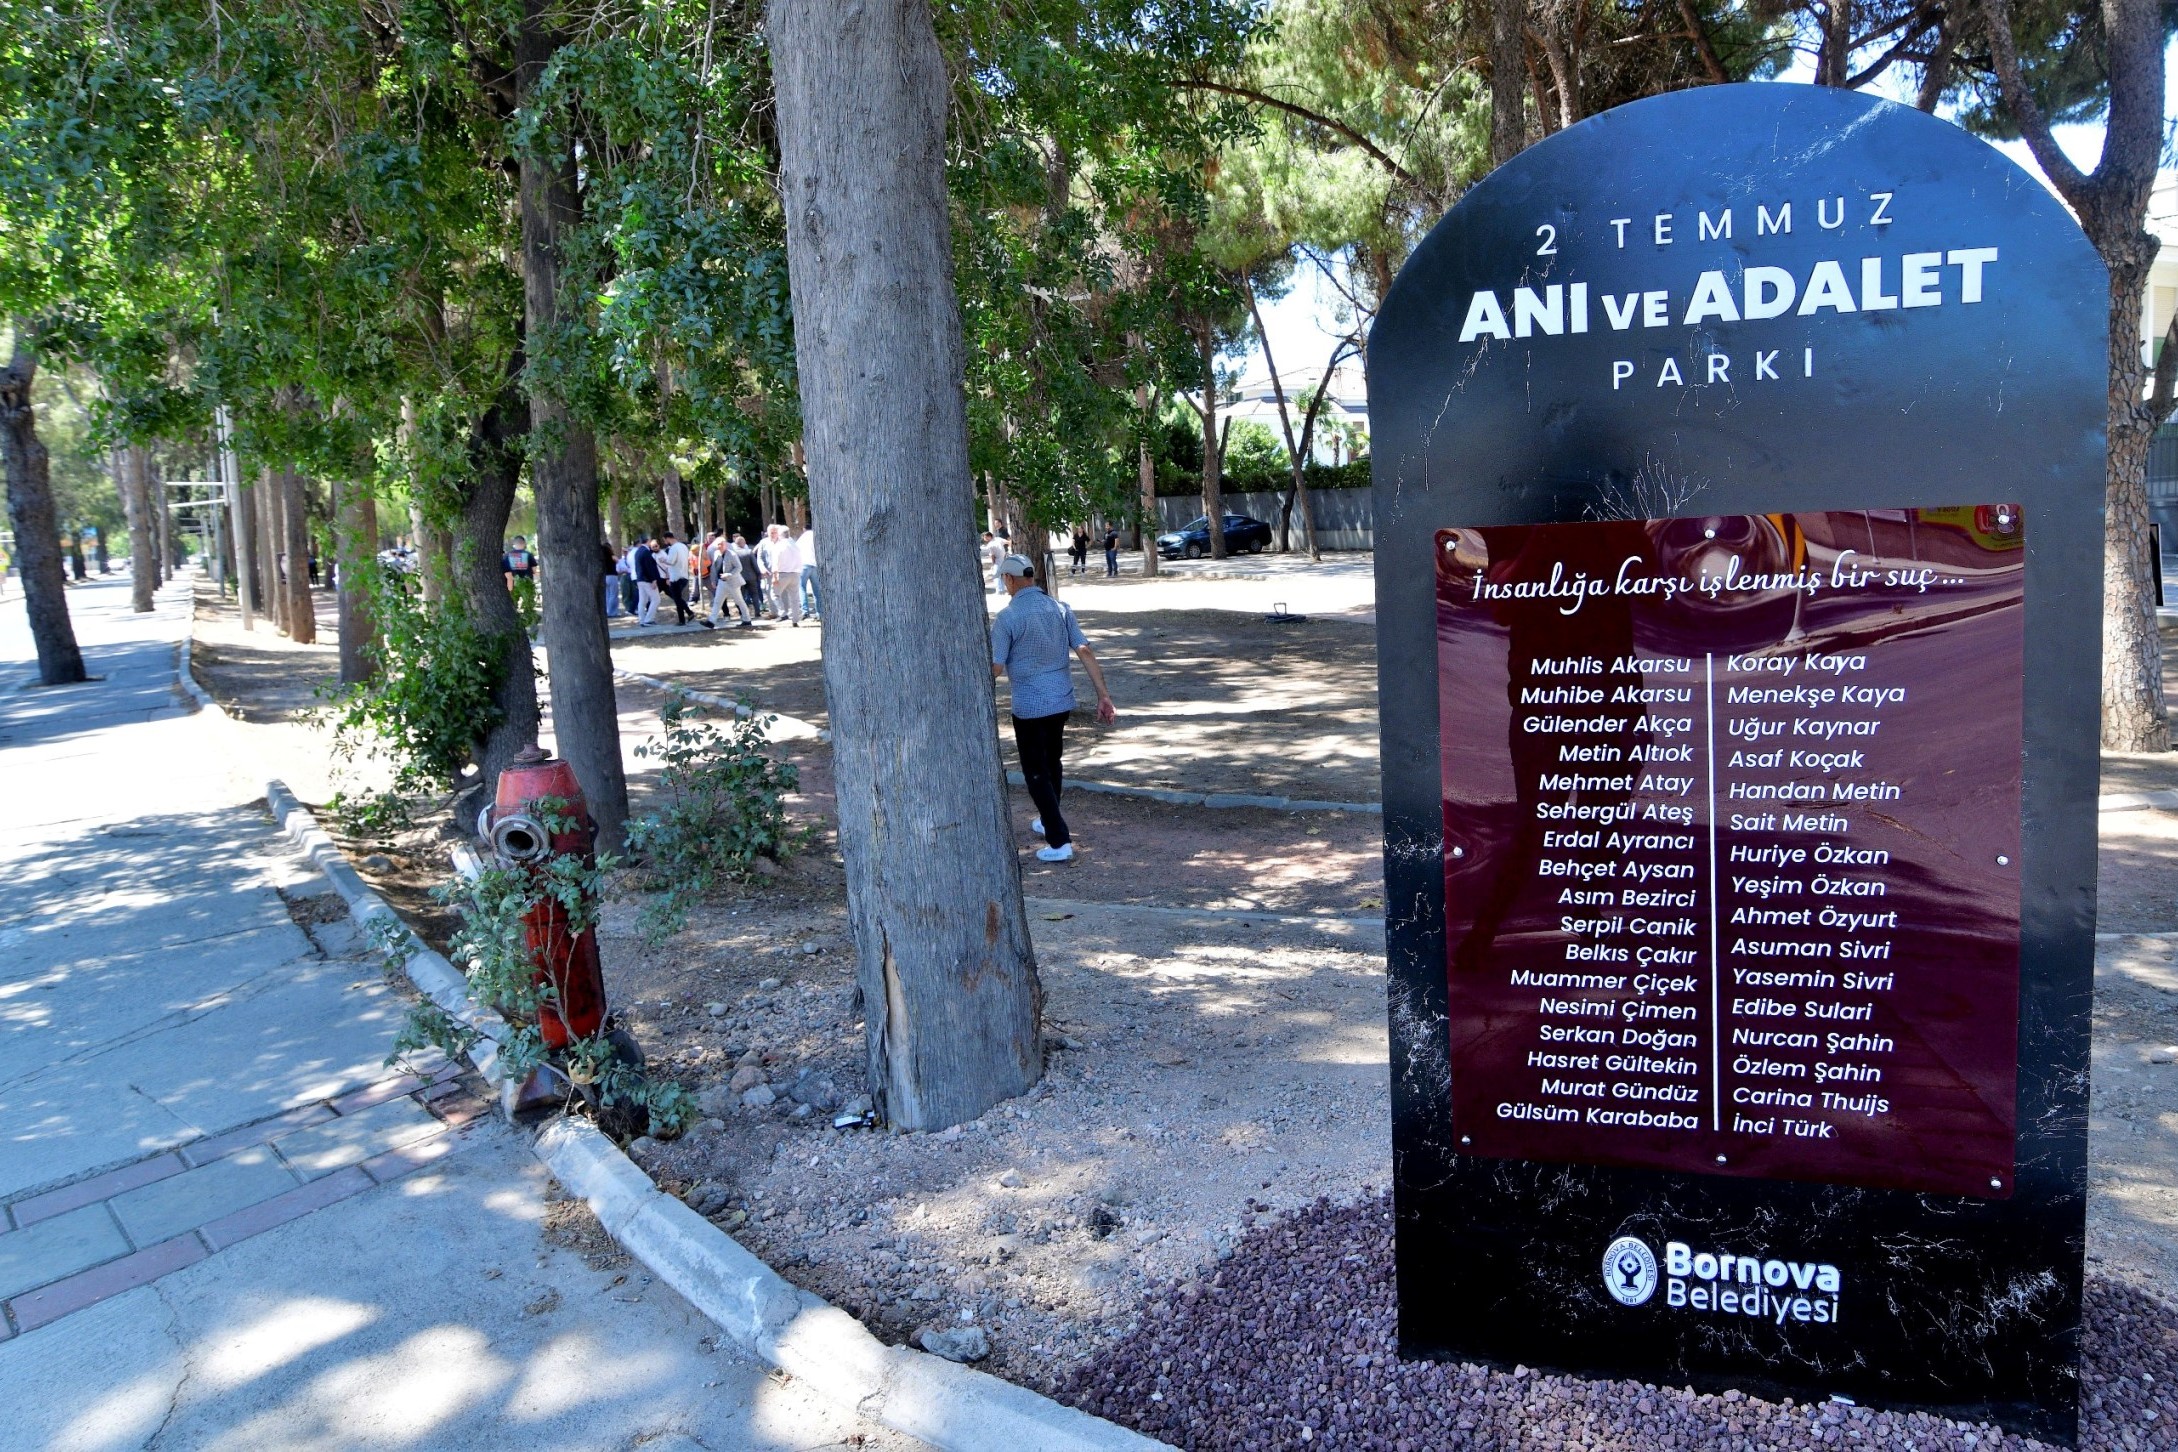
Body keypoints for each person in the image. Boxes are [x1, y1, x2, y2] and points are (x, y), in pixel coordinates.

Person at [990, 553, 1115, 863]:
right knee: (1052, 762)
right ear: (1031, 577)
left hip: (1030, 705)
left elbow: (995, 668)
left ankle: (1059, 841)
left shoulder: (1008, 618)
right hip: (1061, 700)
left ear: (1009, 580)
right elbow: (1084, 650)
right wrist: (1103, 695)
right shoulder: (1060, 609)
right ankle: (1049, 819)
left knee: (1035, 772)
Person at [769, 525, 805, 626]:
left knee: (774, 594)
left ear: (780, 535)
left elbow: (775, 562)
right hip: (795, 573)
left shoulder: (779, 546)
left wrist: (775, 576)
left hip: (783, 573)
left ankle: (782, 613)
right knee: (794, 598)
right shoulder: (795, 545)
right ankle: (795, 620)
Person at [503, 536, 539, 628]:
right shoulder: (529, 555)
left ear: (514, 544)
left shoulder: (507, 556)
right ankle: (529, 624)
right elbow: (534, 570)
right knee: (528, 604)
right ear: (524, 544)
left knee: (513, 604)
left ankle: (514, 625)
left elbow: (505, 571)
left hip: (513, 584)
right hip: (528, 584)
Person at [660, 531, 693, 625]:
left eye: (664, 540)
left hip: (676, 577)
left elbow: (671, 562)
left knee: (677, 598)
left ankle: (688, 613)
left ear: (667, 538)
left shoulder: (673, 548)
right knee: (678, 598)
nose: (664, 542)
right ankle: (683, 618)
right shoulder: (683, 546)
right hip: (684, 575)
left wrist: (663, 560)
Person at [631, 534, 662, 626]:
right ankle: (649, 619)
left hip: (640, 578)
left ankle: (642, 619)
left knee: (642, 600)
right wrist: (653, 579)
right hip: (647, 579)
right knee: (656, 599)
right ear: (648, 540)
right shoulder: (646, 552)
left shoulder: (638, 551)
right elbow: (649, 567)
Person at [797, 524, 820, 620]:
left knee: (802, 587)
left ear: (804, 529)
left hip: (804, 565)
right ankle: (819, 613)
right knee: (817, 590)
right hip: (815, 565)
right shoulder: (817, 536)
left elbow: (796, 549)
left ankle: (805, 611)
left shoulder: (802, 538)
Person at [600, 540, 622, 618]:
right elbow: (618, 560)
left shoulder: (601, 558)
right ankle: (612, 612)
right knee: (613, 594)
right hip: (612, 576)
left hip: (604, 576)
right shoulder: (611, 556)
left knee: (607, 595)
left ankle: (607, 610)